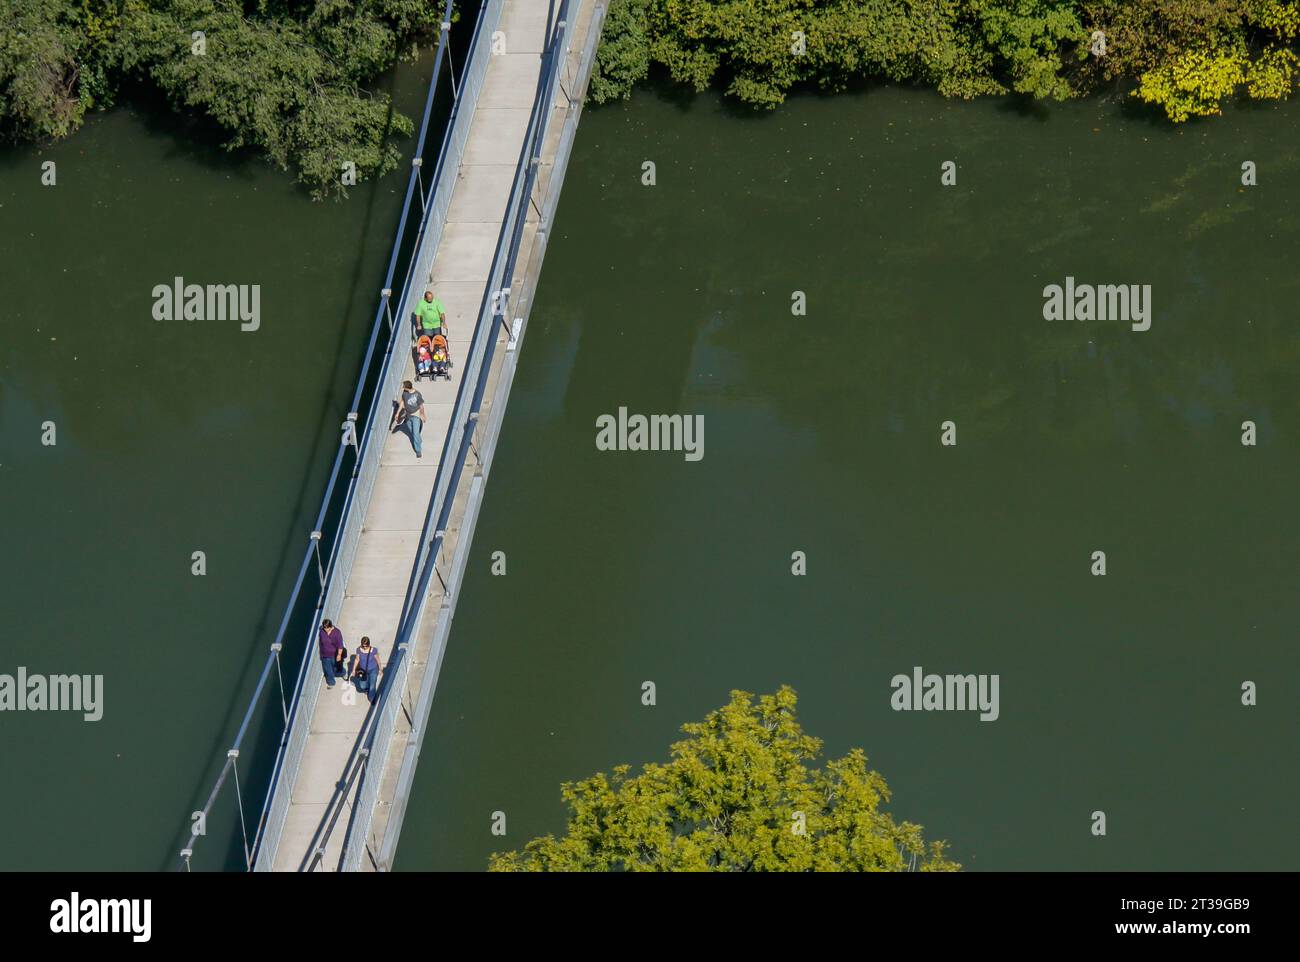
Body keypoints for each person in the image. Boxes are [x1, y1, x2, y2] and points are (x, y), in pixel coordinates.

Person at [394, 380, 426, 458]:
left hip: (416, 415)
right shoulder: (405, 393)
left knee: (415, 433)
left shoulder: (417, 394)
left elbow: (421, 405)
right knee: (413, 432)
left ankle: (418, 451)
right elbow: (402, 402)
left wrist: (422, 414)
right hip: (408, 416)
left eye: (403, 386)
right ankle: (418, 440)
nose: (402, 388)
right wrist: (397, 413)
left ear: (407, 387)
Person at [352, 637, 382, 705]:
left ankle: (372, 698)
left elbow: (378, 659)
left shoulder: (374, 650)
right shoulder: (358, 650)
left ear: (369, 644)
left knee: (372, 684)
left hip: (373, 669)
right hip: (363, 671)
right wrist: (354, 670)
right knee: (362, 685)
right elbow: (357, 659)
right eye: (363, 646)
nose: (364, 647)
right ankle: (366, 689)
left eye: (366, 646)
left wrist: (380, 669)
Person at [318, 619, 343, 688]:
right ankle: (331, 682)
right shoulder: (321, 632)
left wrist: (339, 655)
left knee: (335, 667)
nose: (325, 629)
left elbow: (340, 645)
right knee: (328, 669)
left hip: (334, 655)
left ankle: (342, 672)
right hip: (325, 655)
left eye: (327, 628)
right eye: (324, 628)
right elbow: (320, 642)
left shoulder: (337, 633)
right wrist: (320, 651)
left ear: (330, 626)